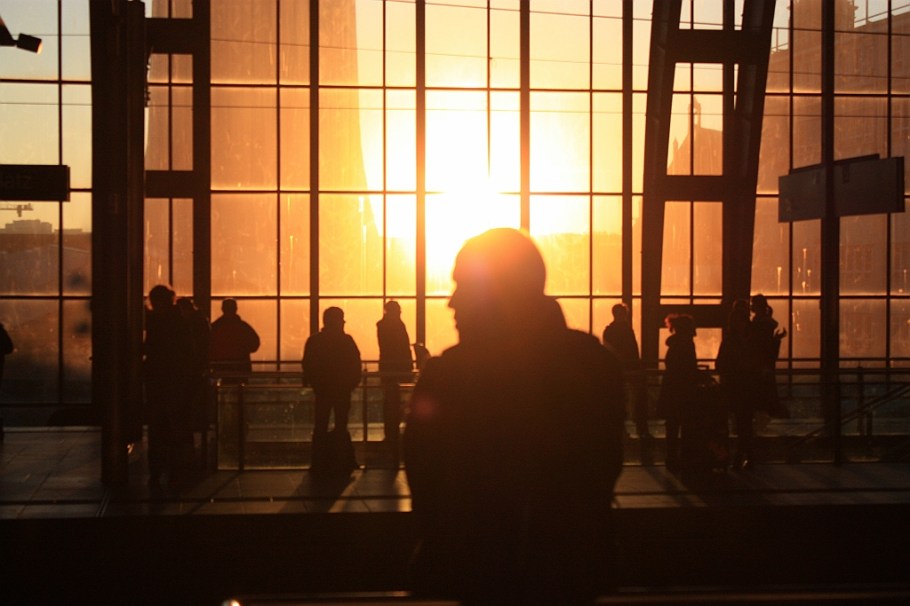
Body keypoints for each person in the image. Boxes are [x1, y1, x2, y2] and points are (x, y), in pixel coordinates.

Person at [403, 228, 626, 605]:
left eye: (463, 286)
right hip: (570, 578)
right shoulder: (595, 369)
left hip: (468, 576)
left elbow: (427, 483)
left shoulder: (448, 378)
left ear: (497, 293)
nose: (451, 302)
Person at [143, 285, 195, 489]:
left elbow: (151, 347)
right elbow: (187, 351)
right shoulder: (180, 321)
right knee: (176, 428)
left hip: (158, 380)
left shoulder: (155, 321)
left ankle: (157, 471)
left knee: (157, 429)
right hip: (176, 381)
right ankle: (175, 471)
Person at [302, 306, 363, 475]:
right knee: (341, 424)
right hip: (342, 390)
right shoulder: (346, 341)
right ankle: (341, 460)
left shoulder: (315, 341)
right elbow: (355, 364)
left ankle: (319, 462)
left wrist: (316, 383)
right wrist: (351, 383)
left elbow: (308, 364)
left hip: (323, 390)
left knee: (320, 424)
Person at [740, 293, 788, 469]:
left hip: (753, 373)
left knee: (748, 411)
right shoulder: (767, 325)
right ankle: (753, 450)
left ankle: (748, 451)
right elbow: (768, 349)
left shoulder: (756, 325)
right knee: (758, 407)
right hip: (762, 371)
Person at [602, 302, 653, 460]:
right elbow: (633, 349)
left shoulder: (609, 331)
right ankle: (642, 429)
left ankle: (621, 431)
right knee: (638, 399)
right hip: (631, 368)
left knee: (618, 399)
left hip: (616, 369)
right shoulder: (627, 330)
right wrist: (636, 365)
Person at [656, 313, 699, 473]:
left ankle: (671, 457)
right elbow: (690, 368)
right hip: (684, 390)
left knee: (672, 425)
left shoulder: (674, 344)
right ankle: (684, 457)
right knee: (686, 425)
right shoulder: (687, 344)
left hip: (671, 388)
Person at [716, 299, 752, 470]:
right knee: (745, 423)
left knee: (733, 423)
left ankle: (730, 456)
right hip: (745, 386)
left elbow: (720, 363)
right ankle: (744, 455)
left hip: (733, 385)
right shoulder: (750, 340)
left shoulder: (729, 340)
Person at [376, 300, 413, 464]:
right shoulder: (396, 325)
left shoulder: (383, 326)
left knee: (390, 403)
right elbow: (402, 348)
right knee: (395, 404)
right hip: (397, 369)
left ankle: (390, 435)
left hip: (389, 370)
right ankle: (393, 436)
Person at [209, 298, 260, 384]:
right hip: (240, 365)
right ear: (236, 309)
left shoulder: (215, 327)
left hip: (221, 366)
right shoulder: (243, 327)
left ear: (222, 309)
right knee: (240, 388)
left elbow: (208, 345)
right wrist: (243, 349)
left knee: (222, 387)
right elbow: (255, 343)